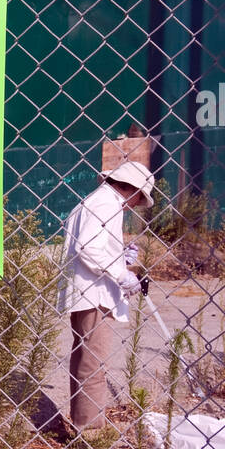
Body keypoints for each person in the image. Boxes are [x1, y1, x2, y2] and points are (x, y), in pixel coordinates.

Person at [58, 160, 155, 432]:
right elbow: (88, 249)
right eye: (140, 197)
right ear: (131, 189)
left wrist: (120, 257)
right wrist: (121, 274)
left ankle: (81, 423)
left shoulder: (98, 201)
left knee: (85, 357)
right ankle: (89, 431)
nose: (137, 204)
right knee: (94, 363)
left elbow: (92, 245)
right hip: (93, 294)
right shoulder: (106, 204)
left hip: (87, 291)